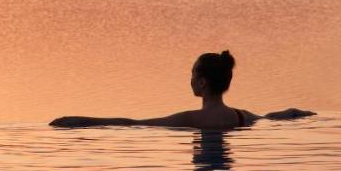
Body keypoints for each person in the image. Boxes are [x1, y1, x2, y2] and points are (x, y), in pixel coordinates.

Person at [49, 50, 314, 130]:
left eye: (192, 74)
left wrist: (83, 121)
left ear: (201, 83)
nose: (189, 80)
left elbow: (133, 124)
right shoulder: (242, 116)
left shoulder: (190, 120)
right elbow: (275, 116)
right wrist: (299, 112)